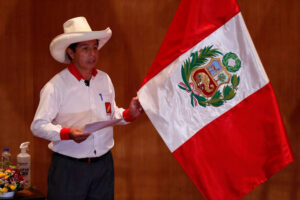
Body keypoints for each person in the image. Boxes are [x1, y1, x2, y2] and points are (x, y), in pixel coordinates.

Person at [31, 16, 143, 200]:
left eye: (95, 48)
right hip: (69, 169)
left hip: (103, 165)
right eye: (85, 49)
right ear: (71, 53)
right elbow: (38, 125)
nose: (93, 54)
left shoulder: (104, 79)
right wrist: (67, 133)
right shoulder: (56, 86)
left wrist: (129, 113)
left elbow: (111, 113)